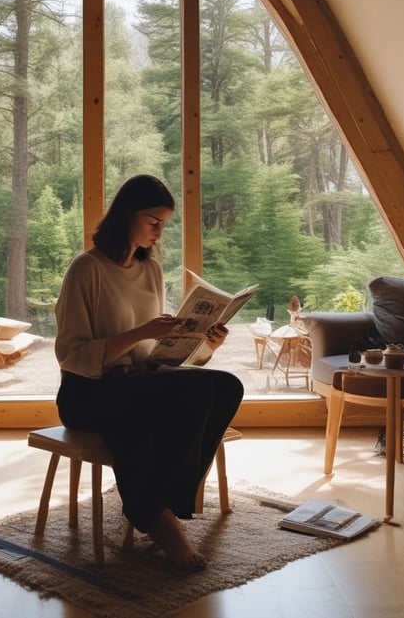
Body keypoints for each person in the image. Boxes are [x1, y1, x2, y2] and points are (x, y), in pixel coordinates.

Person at [54, 174, 244, 570]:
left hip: (136, 381)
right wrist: (141, 332)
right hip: (87, 390)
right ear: (126, 215)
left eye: (164, 224)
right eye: (153, 222)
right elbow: (71, 356)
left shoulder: (150, 270)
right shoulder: (86, 268)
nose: (159, 232)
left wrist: (205, 344)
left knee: (226, 386)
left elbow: (154, 358)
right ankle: (158, 516)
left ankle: (164, 505)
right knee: (163, 403)